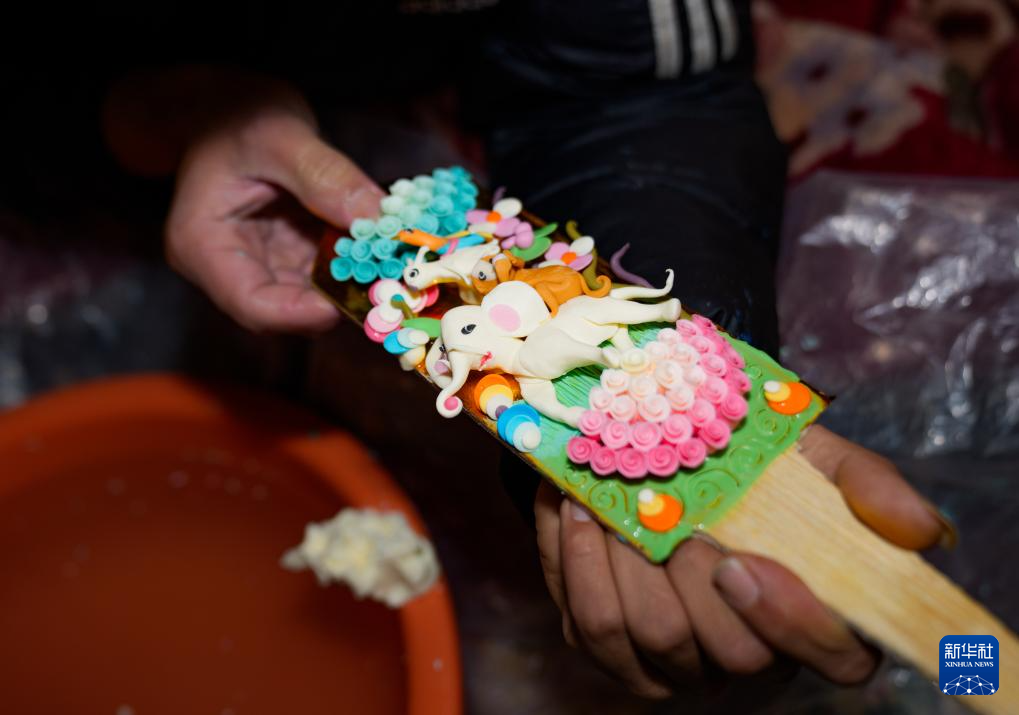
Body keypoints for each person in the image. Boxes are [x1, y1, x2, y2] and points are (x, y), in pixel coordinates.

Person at [102, 1, 955, 701]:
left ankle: (978, 670)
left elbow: (646, 96)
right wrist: (169, 115)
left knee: (953, 651)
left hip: (572, 124)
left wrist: (689, 327)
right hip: (150, 126)